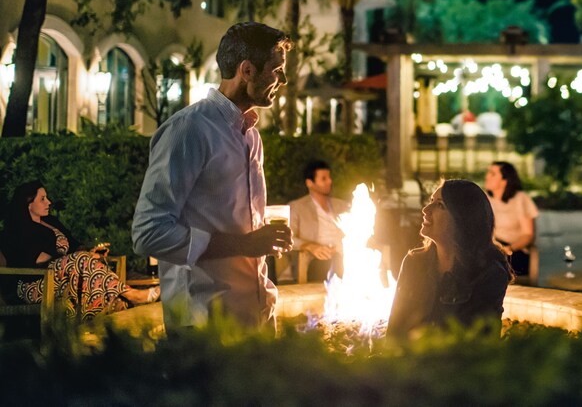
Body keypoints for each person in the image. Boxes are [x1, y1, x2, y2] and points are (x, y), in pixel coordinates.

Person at [132, 21, 293, 333]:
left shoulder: (251, 136)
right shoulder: (189, 130)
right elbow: (148, 233)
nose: (283, 79)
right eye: (276, 69)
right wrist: (243, 244)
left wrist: (260, 241)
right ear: (247, 70)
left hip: (257, 317)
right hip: (204, 323)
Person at [1, 182, 159, 318]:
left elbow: (74, 244)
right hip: (37, 283)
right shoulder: (17, 230)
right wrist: (76, 258)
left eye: (47, 197)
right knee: (82, 261)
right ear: (28, 204)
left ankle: (109, 310)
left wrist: (90, 252)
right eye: (42, 199)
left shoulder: (51, 221)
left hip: (68, 274)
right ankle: (132, 295)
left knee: (85, 264)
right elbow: (36, 259)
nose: (48, 202)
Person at [386, 179, 512, 339]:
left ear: (463, 219)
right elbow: (395, 330)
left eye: (440, 205)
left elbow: (477, 342)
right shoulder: (414, 262)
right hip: (408, 361)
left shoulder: (488, 273)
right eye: (431, 201)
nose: (425, 209)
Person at [289, 160, 350, 283]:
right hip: (317, 259)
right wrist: (310, 246)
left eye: (329, 177)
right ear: (310, 183)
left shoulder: (342, 206)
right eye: (324, 178)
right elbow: (288, 237)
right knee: (329, 262)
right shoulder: (298, 207)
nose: (329, 181)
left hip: (346, 254)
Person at [483, 161, 538, 278]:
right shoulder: (484, 199)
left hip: (512, 251)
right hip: (489, 250)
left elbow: (528, 234)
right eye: (488, 172)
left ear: (505, 180)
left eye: (492, 174)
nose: (487, 176)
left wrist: (508, 249)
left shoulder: (520, 199)